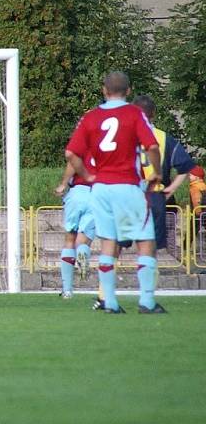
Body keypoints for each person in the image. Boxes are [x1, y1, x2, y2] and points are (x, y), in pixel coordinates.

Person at [65, 71, 165, 314]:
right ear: (128, 91)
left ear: (104, 90)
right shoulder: (134, 113)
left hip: (100, 189)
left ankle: (109, 302)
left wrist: (87, 176)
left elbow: (71, 154)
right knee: (145, 242)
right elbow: (151, 146)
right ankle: (147, 302)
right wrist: (158, 172)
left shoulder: (91, 117)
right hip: (127, 186)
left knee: (108, 243)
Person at [133, 95, 196, 255]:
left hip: (132, 197)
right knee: (162, 248)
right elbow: (185, 166)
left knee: (134, 246)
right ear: (153, 113)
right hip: (158, 197)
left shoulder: (126, 137)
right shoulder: (163, 137)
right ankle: (166, 262)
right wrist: (172, 188)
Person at [54, 159, 96, 299]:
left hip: (77, 192)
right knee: (83, 241)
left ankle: (67, 291)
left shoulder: (82, 146)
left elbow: (73, 162)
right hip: (96, 194)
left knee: (69, 240)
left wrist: (63, 184)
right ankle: (82, 253)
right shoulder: (103, 147)